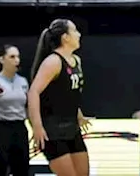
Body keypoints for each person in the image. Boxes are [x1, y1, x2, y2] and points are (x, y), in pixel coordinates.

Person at [27, 19, 91, 176]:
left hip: (71, 128)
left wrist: (78, 113)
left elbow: (67, 92)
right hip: (52, 130)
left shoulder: (76, 61)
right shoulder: (53, 62)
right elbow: (33, 92)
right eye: (75, 31)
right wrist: (37, 126)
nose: (79, 34)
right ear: (65, 37)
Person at [0, 44, 30, 176]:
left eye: (18, 57)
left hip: (20, 128)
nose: (17, 60)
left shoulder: (24, 82)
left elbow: (28, 108)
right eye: (12, 57)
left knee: (22, 168)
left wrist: (35, 130)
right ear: (2, 59)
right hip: (1, 129)